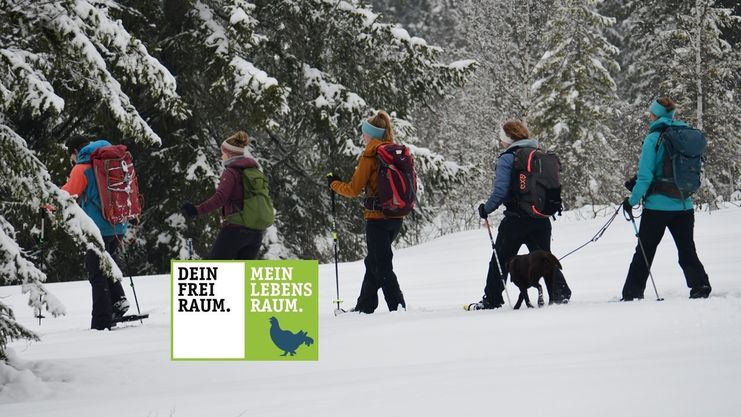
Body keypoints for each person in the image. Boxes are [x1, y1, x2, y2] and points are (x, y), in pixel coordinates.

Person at [468, 120, 571, 310]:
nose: (500, 142)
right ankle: (561, 293)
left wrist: (486, 209)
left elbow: (500, 192)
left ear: (508, 138)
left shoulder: (508, 158)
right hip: (541, 218)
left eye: (502, 138)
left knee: (500, 259)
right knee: (545, 259)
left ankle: (492, 299)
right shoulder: (539, 153)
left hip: (516, 219)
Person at [621, 97, 711, 300]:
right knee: (687, 249)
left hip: (657, 208)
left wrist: (631, 201)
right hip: (684, 204)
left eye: (651, 113)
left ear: (656, 115)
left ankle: (632, 293)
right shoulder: (685, 135)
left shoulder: (654, 138)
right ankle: (701, 286)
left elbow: (645, 177)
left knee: (645, 250)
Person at [327, 111, 406, 314]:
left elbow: (353, 190)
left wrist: (333, 184)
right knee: (374, 262)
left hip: (377, 218)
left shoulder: (371, 155)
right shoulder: (396, 152)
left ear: (371, 135)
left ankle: (398, 308)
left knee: (382, 264)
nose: (362, 137)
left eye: (364, 134)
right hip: (396, 217)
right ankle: (364, 306)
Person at [62, 135, 130, 330]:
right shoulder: (112, 161)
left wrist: (47, 201)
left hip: (97, 229)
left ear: (75, 152)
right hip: (118, 224)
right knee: (108, 265)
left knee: (96, 273)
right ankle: (118, 301)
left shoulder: (82, 168)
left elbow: (68, 194)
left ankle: (101, 320)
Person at [181, 131, 265, 260]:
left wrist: (196, 210)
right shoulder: (255, 172)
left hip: (235, 231)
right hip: (256, 233)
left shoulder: (231, 172)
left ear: (230, 154)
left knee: (215, 272)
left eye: (223, 153)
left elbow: (220, 198)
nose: (222, 157)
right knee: (242, 277)